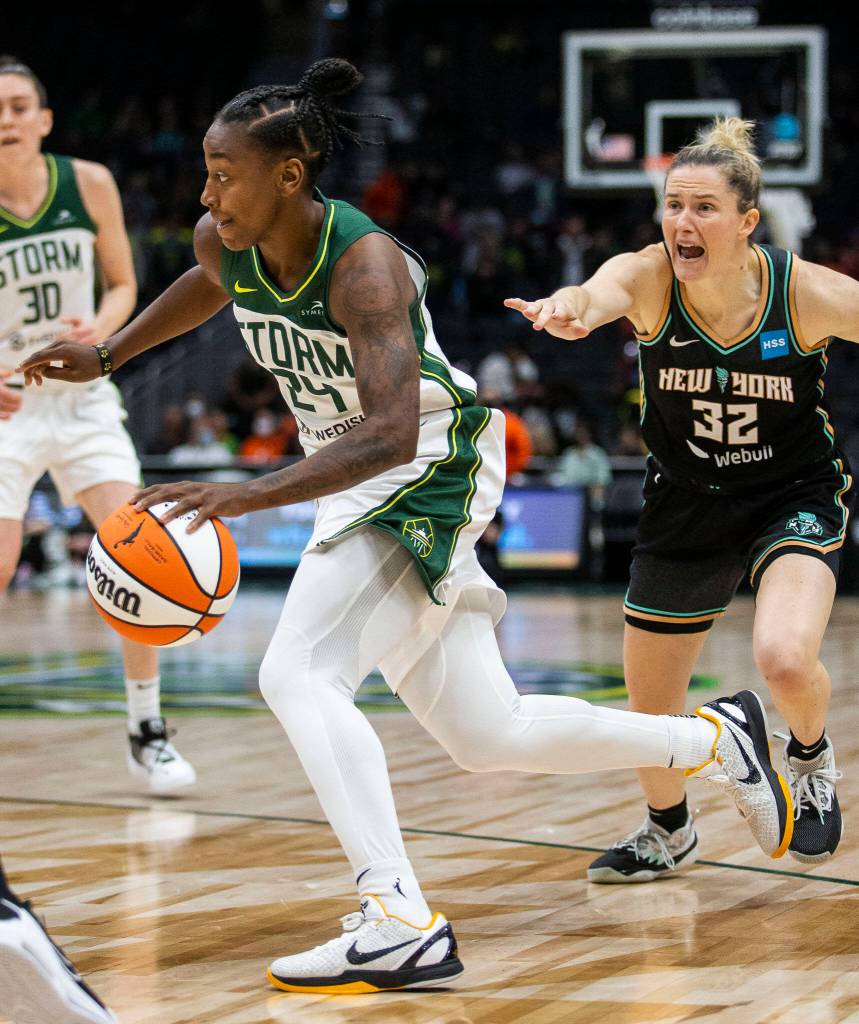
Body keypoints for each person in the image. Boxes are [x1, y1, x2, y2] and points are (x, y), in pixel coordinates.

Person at [20, 65, 792, 994]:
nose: (207, 193)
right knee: (485, 731)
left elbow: (388, 432)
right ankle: (714, 742)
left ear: (289, 179)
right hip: (356, 469)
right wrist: (108, 352)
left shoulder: (365, 266)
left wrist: (247, 494)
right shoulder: (224, 240)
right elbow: (206, 282)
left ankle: (396, 916)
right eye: (206, 172)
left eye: (224, 174)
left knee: (298, 672)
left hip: (427, 457)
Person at [506, 116, 855, 882]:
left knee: (783, 658)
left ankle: (808, 757)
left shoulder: (804, 294)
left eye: (702, 207)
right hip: (684, 500)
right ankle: (668, 829)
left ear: (745, 223)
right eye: (672, 206)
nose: (681, 224)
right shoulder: (648, 277)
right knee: (650, 710)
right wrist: (568, 307)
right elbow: (595, 291)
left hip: (788, 494)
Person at [0, 57, 196, 796]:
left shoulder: (87, 182)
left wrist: (102, 342)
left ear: (45, 120)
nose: (7, 120)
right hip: (9, 405)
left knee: (138, 557)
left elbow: (122, 284)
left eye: (20, 106)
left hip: (81, 399)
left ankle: (146, 729)